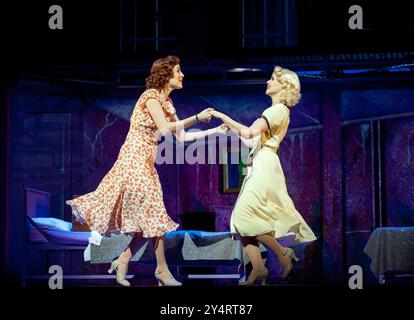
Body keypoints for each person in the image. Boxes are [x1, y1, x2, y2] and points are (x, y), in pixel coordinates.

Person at [67, 55, 227, 286]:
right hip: (133, 159)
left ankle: (123, 261)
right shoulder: (150, 96)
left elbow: (181, 138)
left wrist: (214, 132)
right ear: (165, 74)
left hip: (146, 162)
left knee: (147, 221)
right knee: (153, 214)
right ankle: (162, 270)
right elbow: (164, 128)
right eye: (178, 71)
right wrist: (196, 117)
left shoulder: (168, 104)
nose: (182, 75)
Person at [211, 66, 317, 285]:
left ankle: (281, 253)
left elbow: (250, 132)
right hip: (260, 162)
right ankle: (258, 268)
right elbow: (251, 141)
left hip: (265, 164)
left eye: (272, 79)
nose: (268, 82)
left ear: (284, 86)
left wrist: (221, 115)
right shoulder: (276, 111)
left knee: (242, 217)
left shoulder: (277, 109)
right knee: (244, 222)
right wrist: (231, 128)